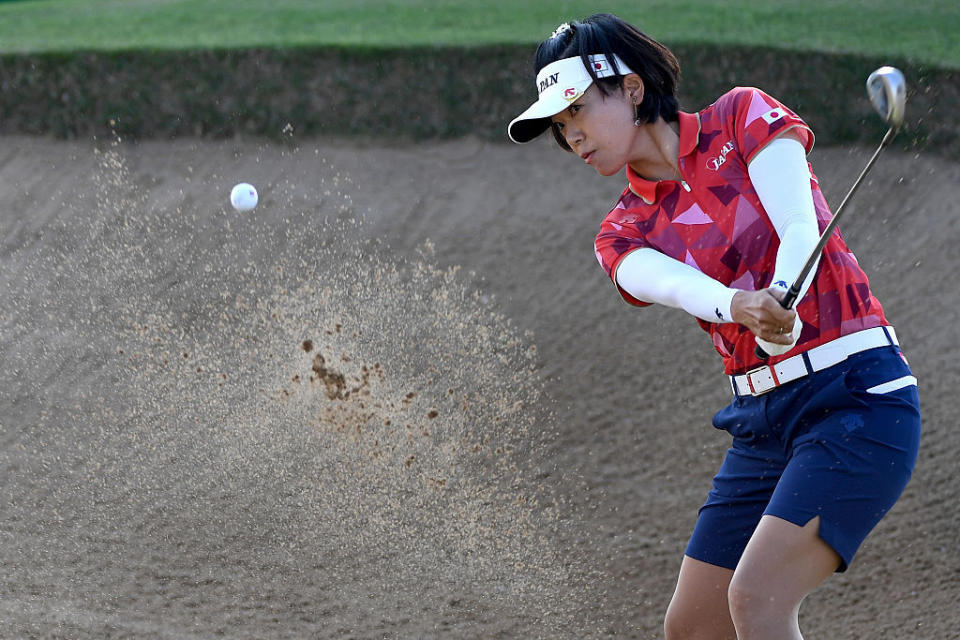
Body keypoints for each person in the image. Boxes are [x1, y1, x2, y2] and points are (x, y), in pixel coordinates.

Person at [507, 13, 921, 640]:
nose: (573, 137)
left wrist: (781, 297)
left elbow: (798, 227)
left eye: (580, 112)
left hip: (856, 398)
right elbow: (673, 285)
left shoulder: (742, 116)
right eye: (560, 128)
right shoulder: (621, 233)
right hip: (762, 425)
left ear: (632, 89)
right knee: (694, 627)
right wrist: (741, 307)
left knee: (757, 599)